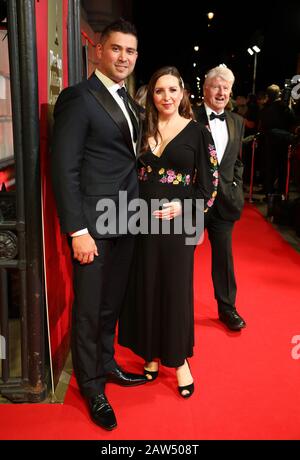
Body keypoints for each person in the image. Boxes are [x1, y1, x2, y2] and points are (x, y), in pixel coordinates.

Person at [51, 18, 147, 432]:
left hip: (126, 218)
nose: (123, 57)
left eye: (130, 51)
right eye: (116, 49)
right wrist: (78, 231)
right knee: (89, 309)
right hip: (92, 225)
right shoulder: (79, 97)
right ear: (98, 50)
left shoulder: (128, 101)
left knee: (111, 302)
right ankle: (90, 385)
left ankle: (105, 364)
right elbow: (64, 168)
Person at [118, 66, 218, 397]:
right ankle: (149, 355)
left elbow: (210, 185)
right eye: (160, 91)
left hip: (177, 227)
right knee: (145, 285)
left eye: (173, 90)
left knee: (175, 290)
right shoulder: (141, 128)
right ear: (152, 95)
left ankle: (179, 362)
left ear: (183, 93)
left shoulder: (197, 132)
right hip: (141, 223)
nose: (167, 97)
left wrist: (183, 205)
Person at [195, 65, 246, 331]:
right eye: (217, 86)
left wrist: (235, 184)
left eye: (226, 88)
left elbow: (236, 161)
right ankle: (174, 307)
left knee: (224, 258)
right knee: (181, 256)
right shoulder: (190, 117)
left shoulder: (236, 121)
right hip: (195, 202)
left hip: (225, 202)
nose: (222, 92)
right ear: (205, 89)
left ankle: (227, 309)